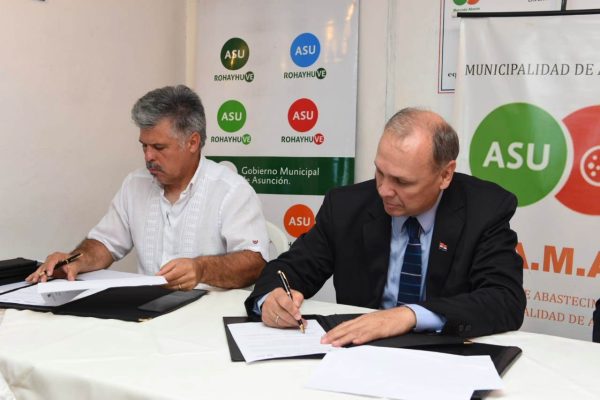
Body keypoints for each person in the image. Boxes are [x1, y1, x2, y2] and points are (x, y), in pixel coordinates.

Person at [245, 107, 526, 345]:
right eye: (380, 172)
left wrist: (408, 315)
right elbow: (291, 268)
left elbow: (504, 299)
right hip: (359, 353)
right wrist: (271, 299)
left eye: (402, 182)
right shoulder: (346, 206)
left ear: (445, 175)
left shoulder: (485, 209)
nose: (384, 191)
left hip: (443, 354)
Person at [28, 85, 269, 290]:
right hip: (146, 315)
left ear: (193, 142)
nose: (148, 157)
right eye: (144, 146)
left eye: (159, 147)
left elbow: (255, 263)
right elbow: (105, 243)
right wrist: (76, 260)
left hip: (207, 317)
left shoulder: (231, 191)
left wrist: (202, 269)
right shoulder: (135, 184)